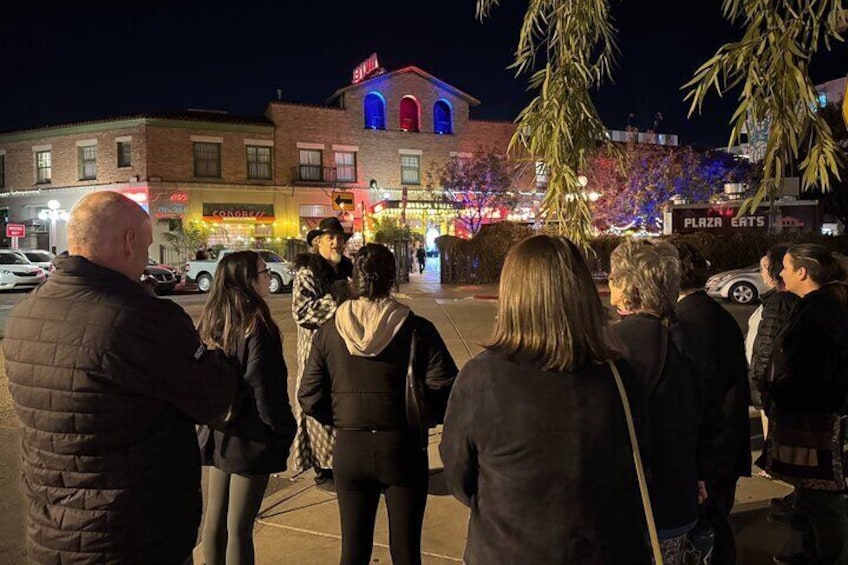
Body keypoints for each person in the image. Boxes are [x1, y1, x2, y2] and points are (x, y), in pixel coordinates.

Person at [3, 191, 239, 564]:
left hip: (52, 533)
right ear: (130, 241)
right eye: (146, 247)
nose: (146, 259)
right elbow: (216, 398)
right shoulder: (141, 319)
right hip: (133, 535)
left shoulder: (26, 314)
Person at [440, 235, 652, 564]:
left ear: (511, 294)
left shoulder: (481, 378)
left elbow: (459, 477)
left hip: (508, 552)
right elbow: (639, 465)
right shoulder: (618, 375)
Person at [300, 243, 457, 565]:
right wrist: (421, 417)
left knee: (353, 551)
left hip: (349, 447)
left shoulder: (330, 331)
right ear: (392, 279)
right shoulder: (416, 329)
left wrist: (343, 417)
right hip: (402, 446)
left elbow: (309, 394)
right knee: (406, 551)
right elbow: (446, 386)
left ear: (354, 279)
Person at [608, 239, 709, 565]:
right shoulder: (690, 336)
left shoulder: (614, 344)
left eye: (612, 276)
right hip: (679, 495)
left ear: (627, 286)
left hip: (634, 502)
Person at [196, 250, 297, 565]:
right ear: (246, 280)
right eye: (263, 271)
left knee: (215, 520)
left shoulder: (211, 319)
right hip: (249, 435)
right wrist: (282, 428)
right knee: (239, 527)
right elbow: (263, 388)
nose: (268, 276)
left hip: (215, 430)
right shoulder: (257, 324)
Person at [673, 241, 751, 565]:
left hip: (711, 452)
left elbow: (694, 401)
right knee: (717, 524)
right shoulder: (711, 314)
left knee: (710, 531)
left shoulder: (686, 324)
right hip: (726, 444)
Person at [770, 244, 848, 565]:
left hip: (817, 418)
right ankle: (813, 550)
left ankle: (826, 557)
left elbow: (811, 372)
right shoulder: (827, 302)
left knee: (821, 497)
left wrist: (780, 391)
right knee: (813, 494)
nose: (781, 273)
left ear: (802, 272)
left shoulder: (820, 310)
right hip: (818, 415)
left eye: (786, 267)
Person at [291, 216, 354, 490]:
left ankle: (337, 463)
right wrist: (336, 298)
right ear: (318, 242)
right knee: (317, 407)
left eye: (340, 238)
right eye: (331, 238)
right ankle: (323, 468)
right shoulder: (308, 273)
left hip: (342, 351)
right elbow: (301, 313)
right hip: (315, 353)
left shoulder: (347, 270)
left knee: (338, 406)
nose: (337, 243)